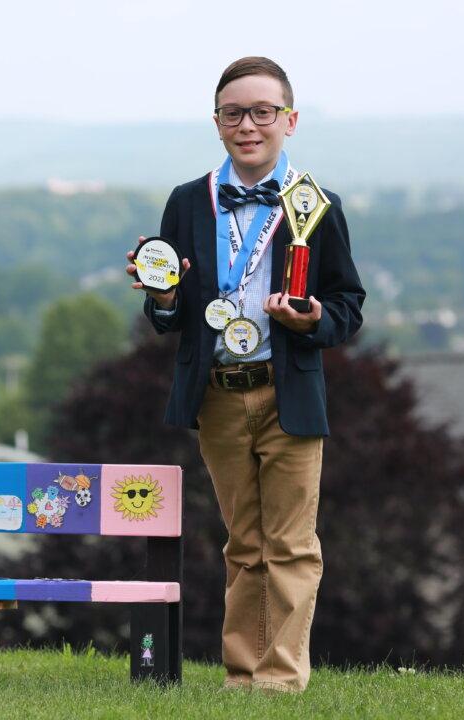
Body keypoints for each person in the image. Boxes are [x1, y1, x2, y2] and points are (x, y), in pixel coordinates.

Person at [125, 56, 365, 693]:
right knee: (243, 544)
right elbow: (168, 310)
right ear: (217, 123)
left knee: (291, 545)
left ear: (289, 121)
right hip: (219, 398)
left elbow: (349, 305)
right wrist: (164, 295)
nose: (249, 125)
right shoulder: (186, 203)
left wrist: (313, 319)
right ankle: (241, 676)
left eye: (263, 112)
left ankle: (280, 682)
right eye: (235, 113)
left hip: (288, 392)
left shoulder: (316, 204)